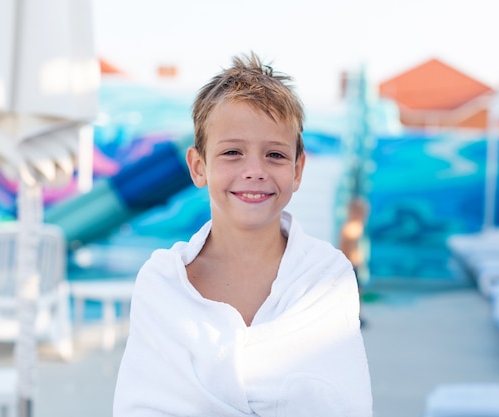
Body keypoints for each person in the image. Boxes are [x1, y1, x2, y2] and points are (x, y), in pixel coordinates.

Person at [113, 52, 373, 416]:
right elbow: (142, 405)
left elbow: (342, 403)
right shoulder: (162, 284)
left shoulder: (327, 277)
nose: (255, 170)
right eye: (232, 152)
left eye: (276, 155)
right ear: (198, 166)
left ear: (298, 170)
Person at [339, 196, 369, 325]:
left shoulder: (353, 226)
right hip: (351, 264)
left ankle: (356, 314)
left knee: (356, 291)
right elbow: (350, 249)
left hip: (352, 264)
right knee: (354, 291)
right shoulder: (353, 228)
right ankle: (354, 315)